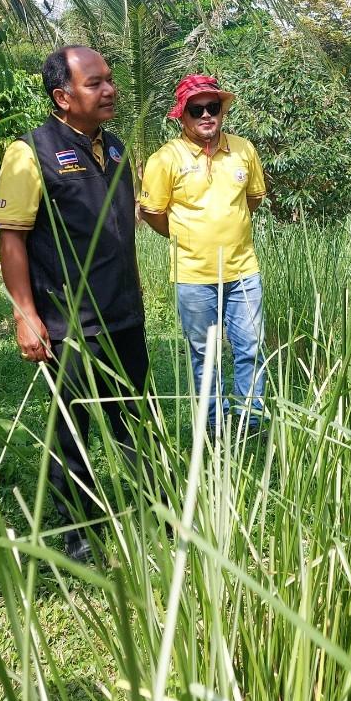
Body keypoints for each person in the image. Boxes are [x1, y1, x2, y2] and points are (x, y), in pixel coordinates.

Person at [0, 46, 148, 564]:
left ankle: (151, 506)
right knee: (73, 425)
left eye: (110, 80)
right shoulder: (29, 152)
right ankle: (80, 530)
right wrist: (26, 314)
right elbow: (12, 238)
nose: (109, 90)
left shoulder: (118, 148)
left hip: (124, 312)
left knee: (134, 413)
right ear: (62, 97)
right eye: (95, 83)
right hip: (70, 320)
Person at [140, 75, 268, 436]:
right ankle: (214, 424)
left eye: (214, 107)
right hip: (194, 276)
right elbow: (152, 212)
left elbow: (253, 198)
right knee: (205, 354)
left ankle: (250, 421)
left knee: (251, 349)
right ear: (182, 116)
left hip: (243, 270)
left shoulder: (244, 150)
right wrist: (185, 238)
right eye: (197, 110)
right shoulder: (165, 159)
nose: (207, 115)